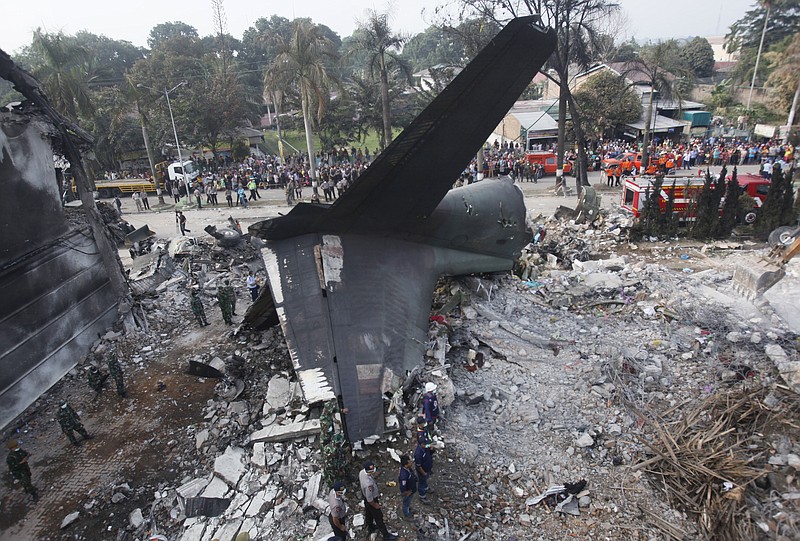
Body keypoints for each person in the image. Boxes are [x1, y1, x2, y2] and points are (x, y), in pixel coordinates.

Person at [359, 461, 399, 540]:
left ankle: (370, 526)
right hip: (371, 500)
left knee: (368, 512)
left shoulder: (362, 472)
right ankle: (386, 535)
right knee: (378, 517)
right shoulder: (369, 484)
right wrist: (375, 505)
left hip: (365, 497)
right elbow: (370, 499)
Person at [414, 436, 434, 504]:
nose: (427, 445)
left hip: (427, 468)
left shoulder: (425, 448)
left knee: (425, 480)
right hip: (423, 471)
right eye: (425, 443)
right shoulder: (418, 453)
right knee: (422, 482)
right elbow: (418, 466)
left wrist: (432, 449)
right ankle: (422, 496)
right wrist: (423, 473)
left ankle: (426, 488)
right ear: (421, 444)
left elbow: (430, 454)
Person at [398, 454, 417, 520]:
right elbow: (402, 486)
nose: (411, 462)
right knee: (406, 503)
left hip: (411, 489)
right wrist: (406, 492)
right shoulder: (403, 476)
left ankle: (408, 509)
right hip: (408, 491)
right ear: (406, 464)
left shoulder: (408, 469)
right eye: (409, 462)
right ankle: (406, 515)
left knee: (408, 502)